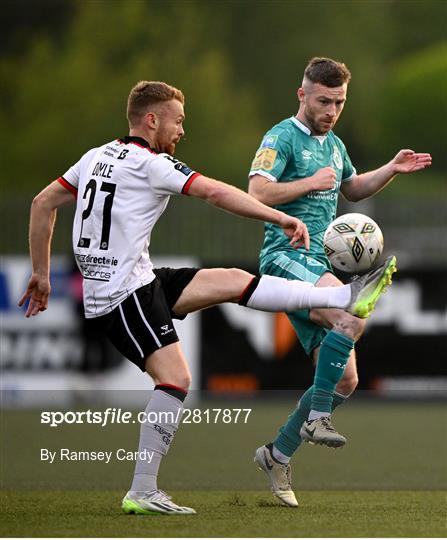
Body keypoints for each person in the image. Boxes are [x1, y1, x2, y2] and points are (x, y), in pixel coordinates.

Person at [19, 80, 395, 515]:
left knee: (232, 279)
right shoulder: (152, 164)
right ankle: (142, 490)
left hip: (139, 278)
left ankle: (343, 295)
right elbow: (217, 192)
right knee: (176, 380)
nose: (181, 131)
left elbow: (43, 202)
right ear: (152, 120)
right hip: (120, 294)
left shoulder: (96, 156)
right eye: (178, 122)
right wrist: (279, 217)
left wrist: (41, 274)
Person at [248, 57, 432, 507]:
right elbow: (256, 192)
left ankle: (277, 454)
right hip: (286, 257)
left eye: (340, 102)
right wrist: (310, 182)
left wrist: (390, 168)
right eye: (324, 101)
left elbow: (350, 188)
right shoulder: (280, 137)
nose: (332, 110)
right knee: (352, 311)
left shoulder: (335, 143)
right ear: (302, 94)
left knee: (346, 379)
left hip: (317, 263)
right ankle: (317, 417)